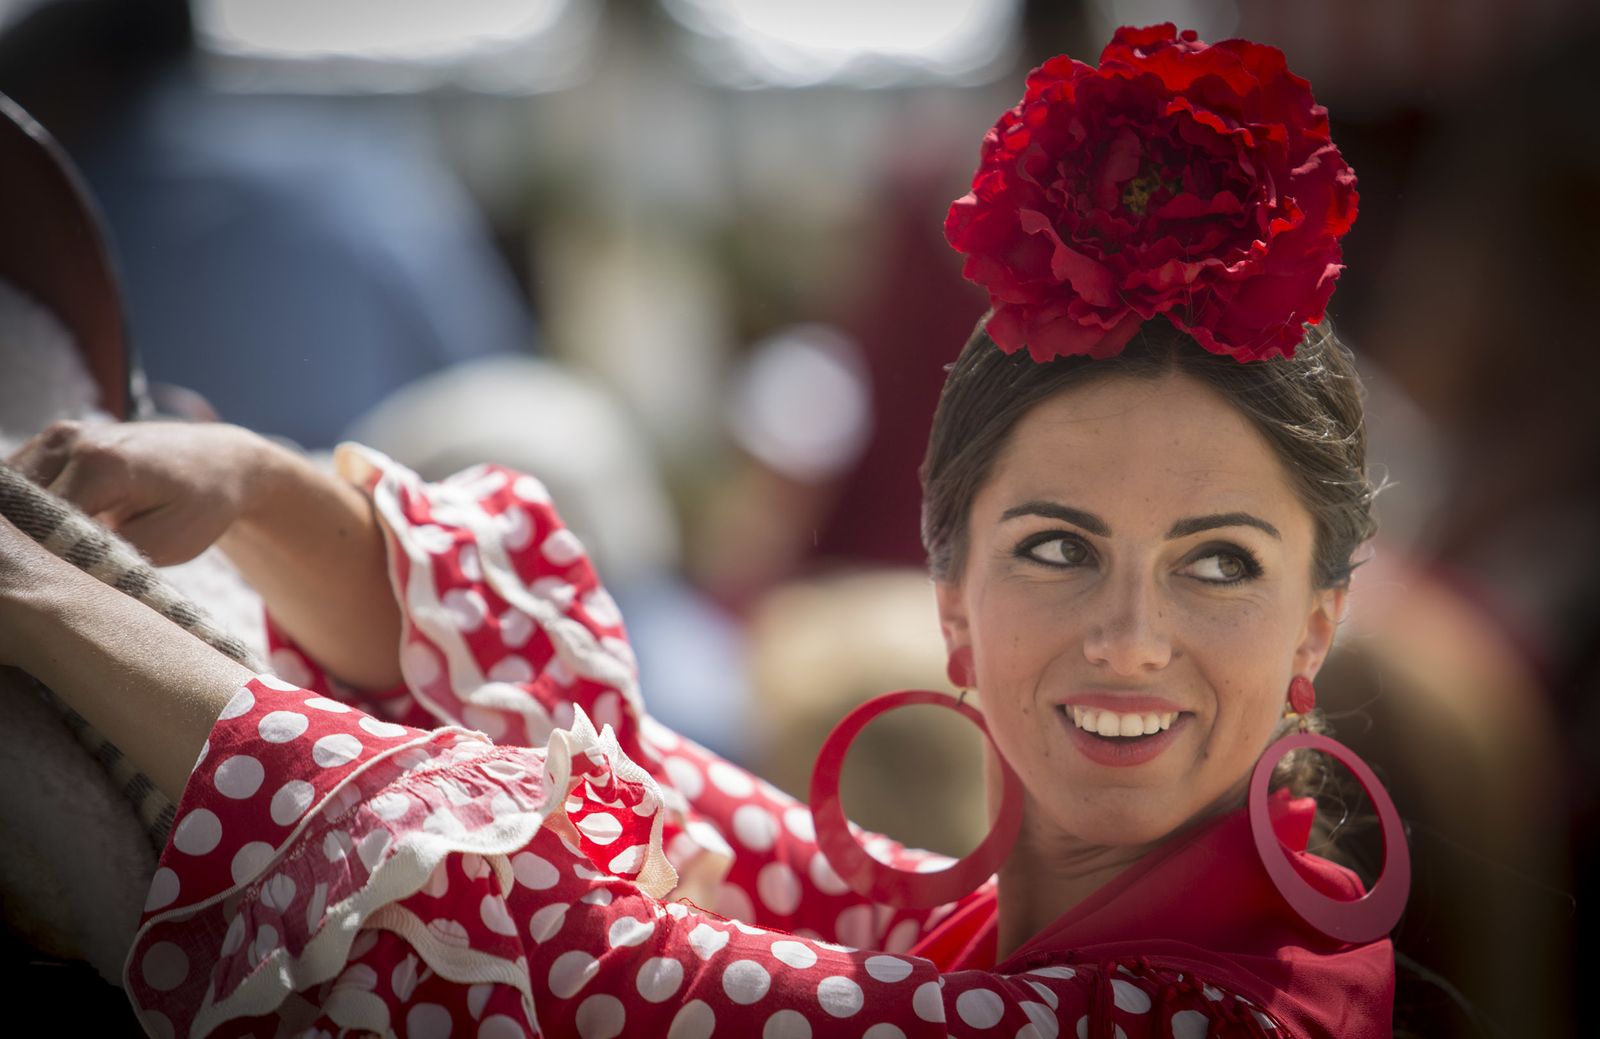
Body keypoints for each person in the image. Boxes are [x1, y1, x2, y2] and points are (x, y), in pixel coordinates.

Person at [0, 24, 1405, 1037]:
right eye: (1057, 546)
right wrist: (252, 481)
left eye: (1220, 562)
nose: (1130, 636)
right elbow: (608, 767)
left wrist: (47, 599)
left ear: (1317, 626)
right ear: (956, 597)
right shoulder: (998, 909)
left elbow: (572, 956)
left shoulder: (1195, 1013)